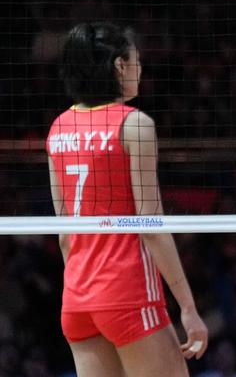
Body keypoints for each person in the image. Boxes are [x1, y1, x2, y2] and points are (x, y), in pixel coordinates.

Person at [46, 22, 208, 376]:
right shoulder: (134, 124)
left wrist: (86, 288)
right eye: (136, 61)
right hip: (127, 292)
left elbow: (64, 236)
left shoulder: (58, 128)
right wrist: (188, 307)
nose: (140, 69)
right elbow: (150, 226)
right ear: (119, 65)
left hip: (77, 299)